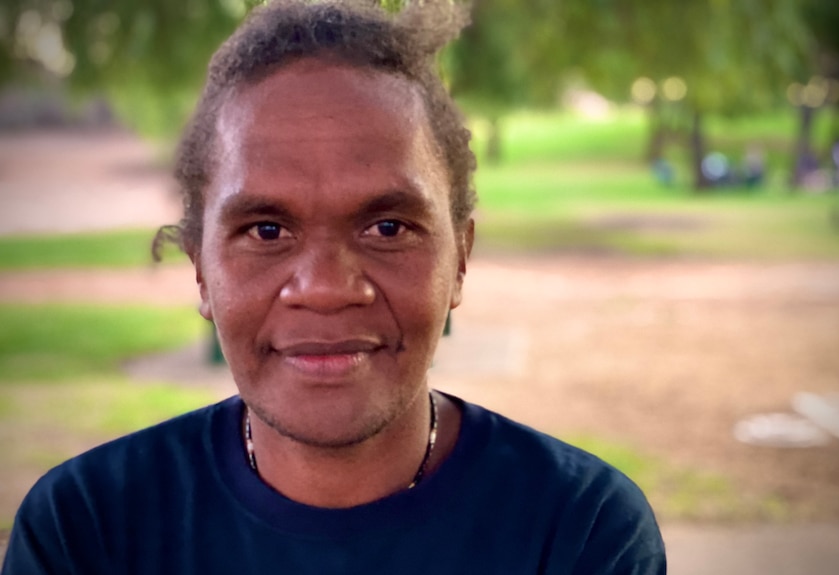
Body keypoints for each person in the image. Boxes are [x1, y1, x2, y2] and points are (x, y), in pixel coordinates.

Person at [2, 2, 665, 573]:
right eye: (266, 230)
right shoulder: (87, 531)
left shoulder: (578, 532)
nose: (324, 288)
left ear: (459, 257)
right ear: (200, 270)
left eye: (386, 225)